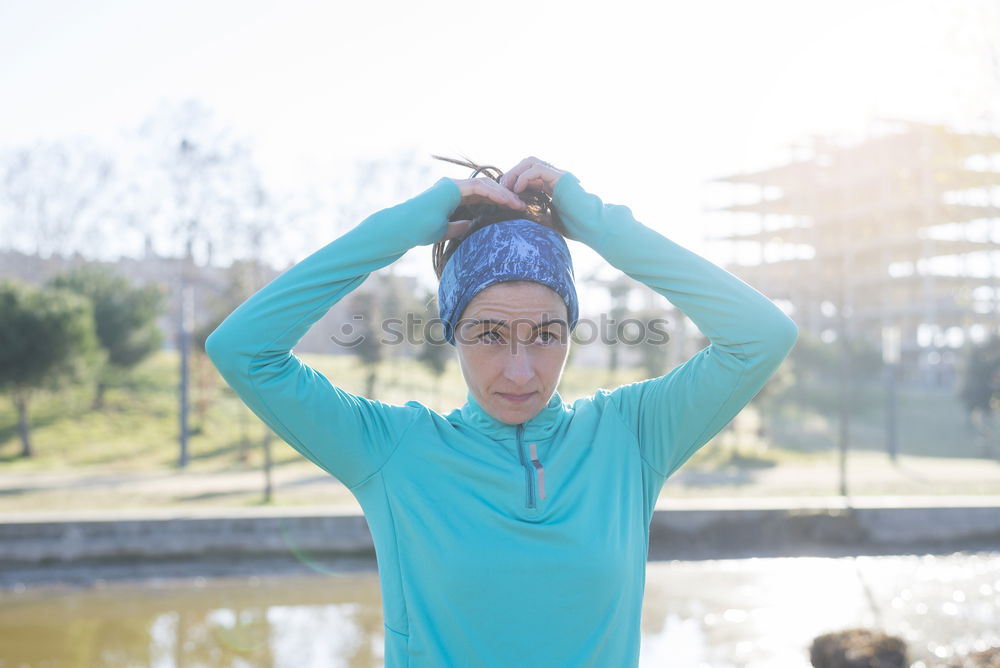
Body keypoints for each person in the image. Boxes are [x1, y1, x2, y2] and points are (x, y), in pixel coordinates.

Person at [205, 155, 798, 667]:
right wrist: (399, 229)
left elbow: (761, 333)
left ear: (571, 331)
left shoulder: (632, 436)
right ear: (452, 332)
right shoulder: (394, 451)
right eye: (489, 334)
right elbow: (242, 350)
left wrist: (598, 225)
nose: (520, 370)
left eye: (546, 334)